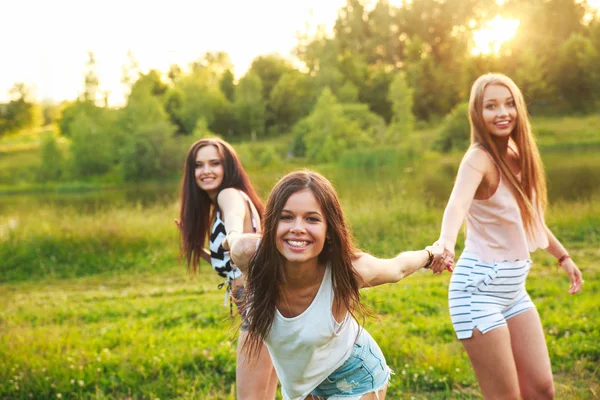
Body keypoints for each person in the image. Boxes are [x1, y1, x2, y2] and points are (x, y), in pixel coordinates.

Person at [224, 170, 451, 400]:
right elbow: (233, 240)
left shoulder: (348, 271)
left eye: (312, 219)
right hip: (305, 385)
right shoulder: (249, 254)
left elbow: (397, 268)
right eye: (286, 217)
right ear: (272, 224)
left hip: (355, 376)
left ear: (329, 230)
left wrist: (431, 253)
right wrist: (229, 237)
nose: (298, 228)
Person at [431, 73, 584, 399]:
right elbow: (456, 203)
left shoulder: (517, 154)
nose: (502, 112)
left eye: (509, 103)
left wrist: (563, 256)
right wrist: (445, 242)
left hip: (513, 291)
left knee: (542, 390)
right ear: (477, 113)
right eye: (491, 106)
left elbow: (530, 220)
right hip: (476, 293)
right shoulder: (478, 159)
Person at [177, 138, 278, 399]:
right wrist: (201, 251)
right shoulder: (229, 199)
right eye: (199, 165)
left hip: (257, 315)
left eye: (214, 163)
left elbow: (233, 222)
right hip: (266, 310)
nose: (206, 170)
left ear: (228, 166)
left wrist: (231, 234)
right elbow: (234, 265)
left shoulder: (228, 195)